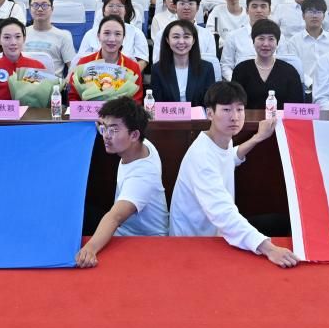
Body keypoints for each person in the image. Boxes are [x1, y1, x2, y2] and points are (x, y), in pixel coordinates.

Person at [169, 81, 297, 268]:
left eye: (239, 109)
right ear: (210, 113)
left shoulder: (220, 138)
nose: (235, 117)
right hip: (195, 241)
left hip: (215, 229)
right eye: (226, 110)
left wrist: (258, 138)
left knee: (282, 221)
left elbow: (229, 157)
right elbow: (223, 212)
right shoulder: (202, 156)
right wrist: (269, 249)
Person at [76, 97, 170, 267]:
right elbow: (110, 128)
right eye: (104, 128)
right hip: (127, 228)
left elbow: (115, 217)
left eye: (113, 130)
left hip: (143, 241)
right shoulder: (142, 144)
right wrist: (106, 126)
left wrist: (90, 249)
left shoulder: (141, 178)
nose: (106, 136)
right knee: (77, 209)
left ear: (134, 135)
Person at [230, 19, 306, 109]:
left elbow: (296, 108)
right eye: (261, 38)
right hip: (248, 118)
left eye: (271, 39)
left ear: (277, 42)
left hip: (281, 118)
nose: (266, 44)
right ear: (253, 41)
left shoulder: (290, 71)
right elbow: (234, 104)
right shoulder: (241, 70)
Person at [70, 15, 144, 103]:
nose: (112, 39)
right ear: (98, 36)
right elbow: (73, 97)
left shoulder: (132, 67)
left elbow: (137, 100)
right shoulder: (84, 63)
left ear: (123, 38)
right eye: (106, 33)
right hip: (89, 111)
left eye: (117, 34)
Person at [0, 18, 47, 105]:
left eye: (18, 37)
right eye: (7, 37)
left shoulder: (37, 67)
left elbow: (45, 103)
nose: (13, 42)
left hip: (31, 114)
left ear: (24, 39)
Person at [150, 19, 216, 106]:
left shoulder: (207, 68)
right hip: (169, 115)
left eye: (186, 37)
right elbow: (157, 104)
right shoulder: (157, 69)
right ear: (167, 40)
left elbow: (210, 104)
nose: (181, 42)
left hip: (198, 115)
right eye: (176, 37)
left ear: (193, 40)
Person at [23, 0, 77, 77]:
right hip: (24, 81)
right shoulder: (21, 34)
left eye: (44, 5)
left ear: (52, 9)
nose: (40, 9)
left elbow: (73, 67)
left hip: (53, 83)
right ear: (29, 9)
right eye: (35, 5)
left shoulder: (63, 36)